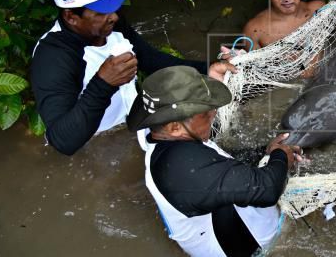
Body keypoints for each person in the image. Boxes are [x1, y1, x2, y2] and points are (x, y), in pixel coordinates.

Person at [30, 0, 234, 156]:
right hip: (96, 140)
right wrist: (103, 83)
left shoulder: (108, 24)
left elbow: (151, 60)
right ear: (71, 17)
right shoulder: (52, 59)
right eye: (102, 11)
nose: (114, 16)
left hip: (131, 118)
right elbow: (63, 142)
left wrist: (210, 68)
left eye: (111, 6)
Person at [127, 66, 303, 257]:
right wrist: (281, 156)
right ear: (175, 127)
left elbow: (221, 161)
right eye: (204, 113)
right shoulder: (182, 167)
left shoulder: (160, 135)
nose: (214, 113)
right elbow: (268, 190)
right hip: (253, 250)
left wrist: (266, 151)